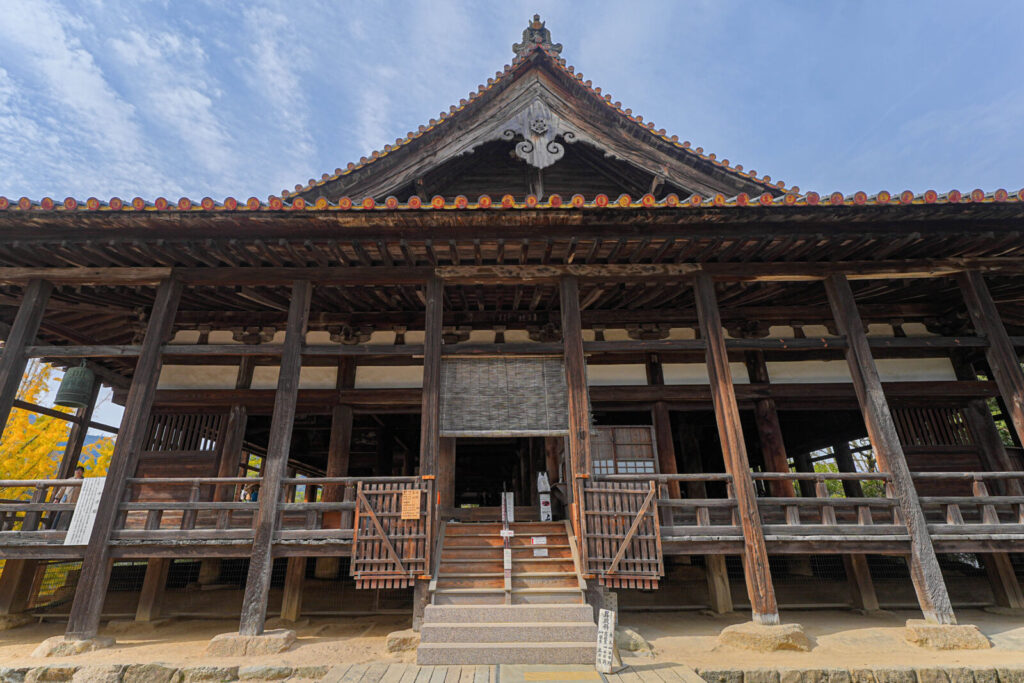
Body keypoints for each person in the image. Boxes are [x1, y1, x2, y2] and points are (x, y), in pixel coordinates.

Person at [51, 466, 85, 530]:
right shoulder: (69, 480)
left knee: (71, 519)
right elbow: (62, 489)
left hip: (75, 503)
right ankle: (53, 529)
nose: (78, 471)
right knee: (58, 517)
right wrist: (57, 498)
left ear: (82, 473)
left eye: (80, 470)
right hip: (65, 501)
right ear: (75, 471)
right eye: (77, 470)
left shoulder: (84, 481)